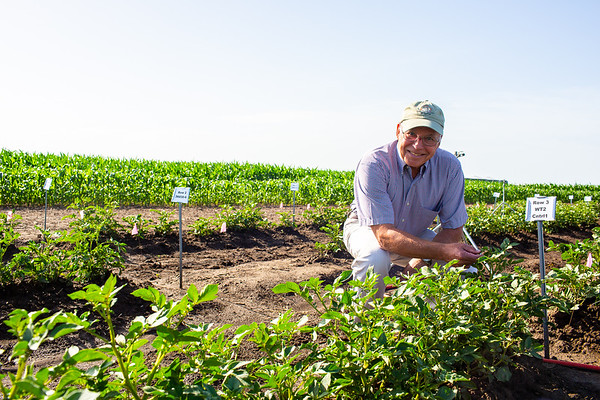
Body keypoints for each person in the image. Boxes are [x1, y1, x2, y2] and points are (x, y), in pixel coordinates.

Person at [343, 100, 481, 298]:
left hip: (414, 233)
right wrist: (425, 254)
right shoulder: (375, 163)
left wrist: (421, 260)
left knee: (451, 263)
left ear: (440, 140)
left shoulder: (449, 167)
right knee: (375, 257)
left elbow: (453, 229)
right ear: (398, 131)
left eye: (429, 138)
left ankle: (425, 322)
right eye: (412, 134)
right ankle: (366, 323)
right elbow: (384, 236)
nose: (418, 145)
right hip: (367, 229)